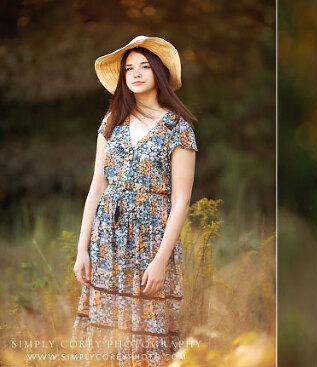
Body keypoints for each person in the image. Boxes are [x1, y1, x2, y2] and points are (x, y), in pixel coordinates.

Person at [72, 36, 198, 366]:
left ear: (159, 73)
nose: (136, 73)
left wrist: (161, 261)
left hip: (153, 241)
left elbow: (181, 201)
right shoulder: (111, 123)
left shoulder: (178, 128)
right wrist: (82, 249)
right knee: (108, 333)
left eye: (144, 66)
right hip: (107, 241)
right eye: (129, 68)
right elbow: (96, 188)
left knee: (149, 330)